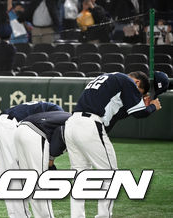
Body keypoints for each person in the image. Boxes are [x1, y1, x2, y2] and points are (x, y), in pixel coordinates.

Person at [65, 71, 167, 218]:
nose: (136, 96)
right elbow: (139, 114)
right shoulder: (129, 82)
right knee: (111, 176)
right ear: (137, 82)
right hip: (89, 124)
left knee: (80, 175)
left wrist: (140, 105)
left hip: (72, 123)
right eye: (138, 93)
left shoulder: (109, 78)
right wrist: (152, 107)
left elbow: (114, 115)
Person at [0, 101, 64, 217]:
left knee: (9, 177)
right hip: (12, 127)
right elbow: (55, 137)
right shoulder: (61, 115)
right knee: (19, 177)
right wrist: (51, 162)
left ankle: (17, 215)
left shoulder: (53, 109)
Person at [15, 111, 70, 218]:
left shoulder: (67, 115)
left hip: (19, 130)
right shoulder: (77, 122)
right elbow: (60, 132)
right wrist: (51, 158)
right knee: (41, 184)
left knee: (31, 182)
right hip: (35, 132)